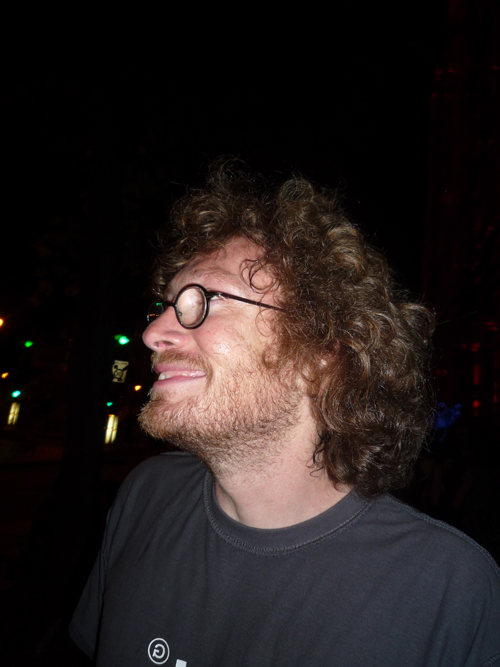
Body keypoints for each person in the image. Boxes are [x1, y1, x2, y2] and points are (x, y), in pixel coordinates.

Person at [70, 161, 500, 666]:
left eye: (203, 299)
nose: (152, 333)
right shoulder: (146, 495)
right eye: (163, 306)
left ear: (321, 350)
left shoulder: (447, 588)